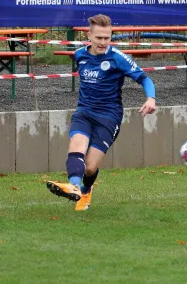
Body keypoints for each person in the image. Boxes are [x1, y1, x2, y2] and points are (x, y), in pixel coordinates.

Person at [46, 14, 157, 211]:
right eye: (99, 38)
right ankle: (73, 186)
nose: (103, 42)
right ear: (89, 35)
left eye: (107, 38)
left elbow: (144, 79)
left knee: (90, 167)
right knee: (76, 148)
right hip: (84, 112)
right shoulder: (80, 55)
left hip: (108, 117)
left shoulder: (118, 58)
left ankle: (86, 189)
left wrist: (151, 98)